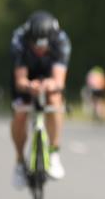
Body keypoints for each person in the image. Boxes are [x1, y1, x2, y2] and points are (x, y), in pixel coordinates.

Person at [9, 10, 71, 188]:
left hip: (49, 74)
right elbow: (20, 81)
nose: (39, 49)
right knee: (20, 112)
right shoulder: (18, 40)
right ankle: (20, 162)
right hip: (27, 76)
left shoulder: (61, 41)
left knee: (54, 101)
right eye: (35, 46)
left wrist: (50, 85)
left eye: (43, 46)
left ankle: (54, 152)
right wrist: (30, 86)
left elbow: (59, 81)